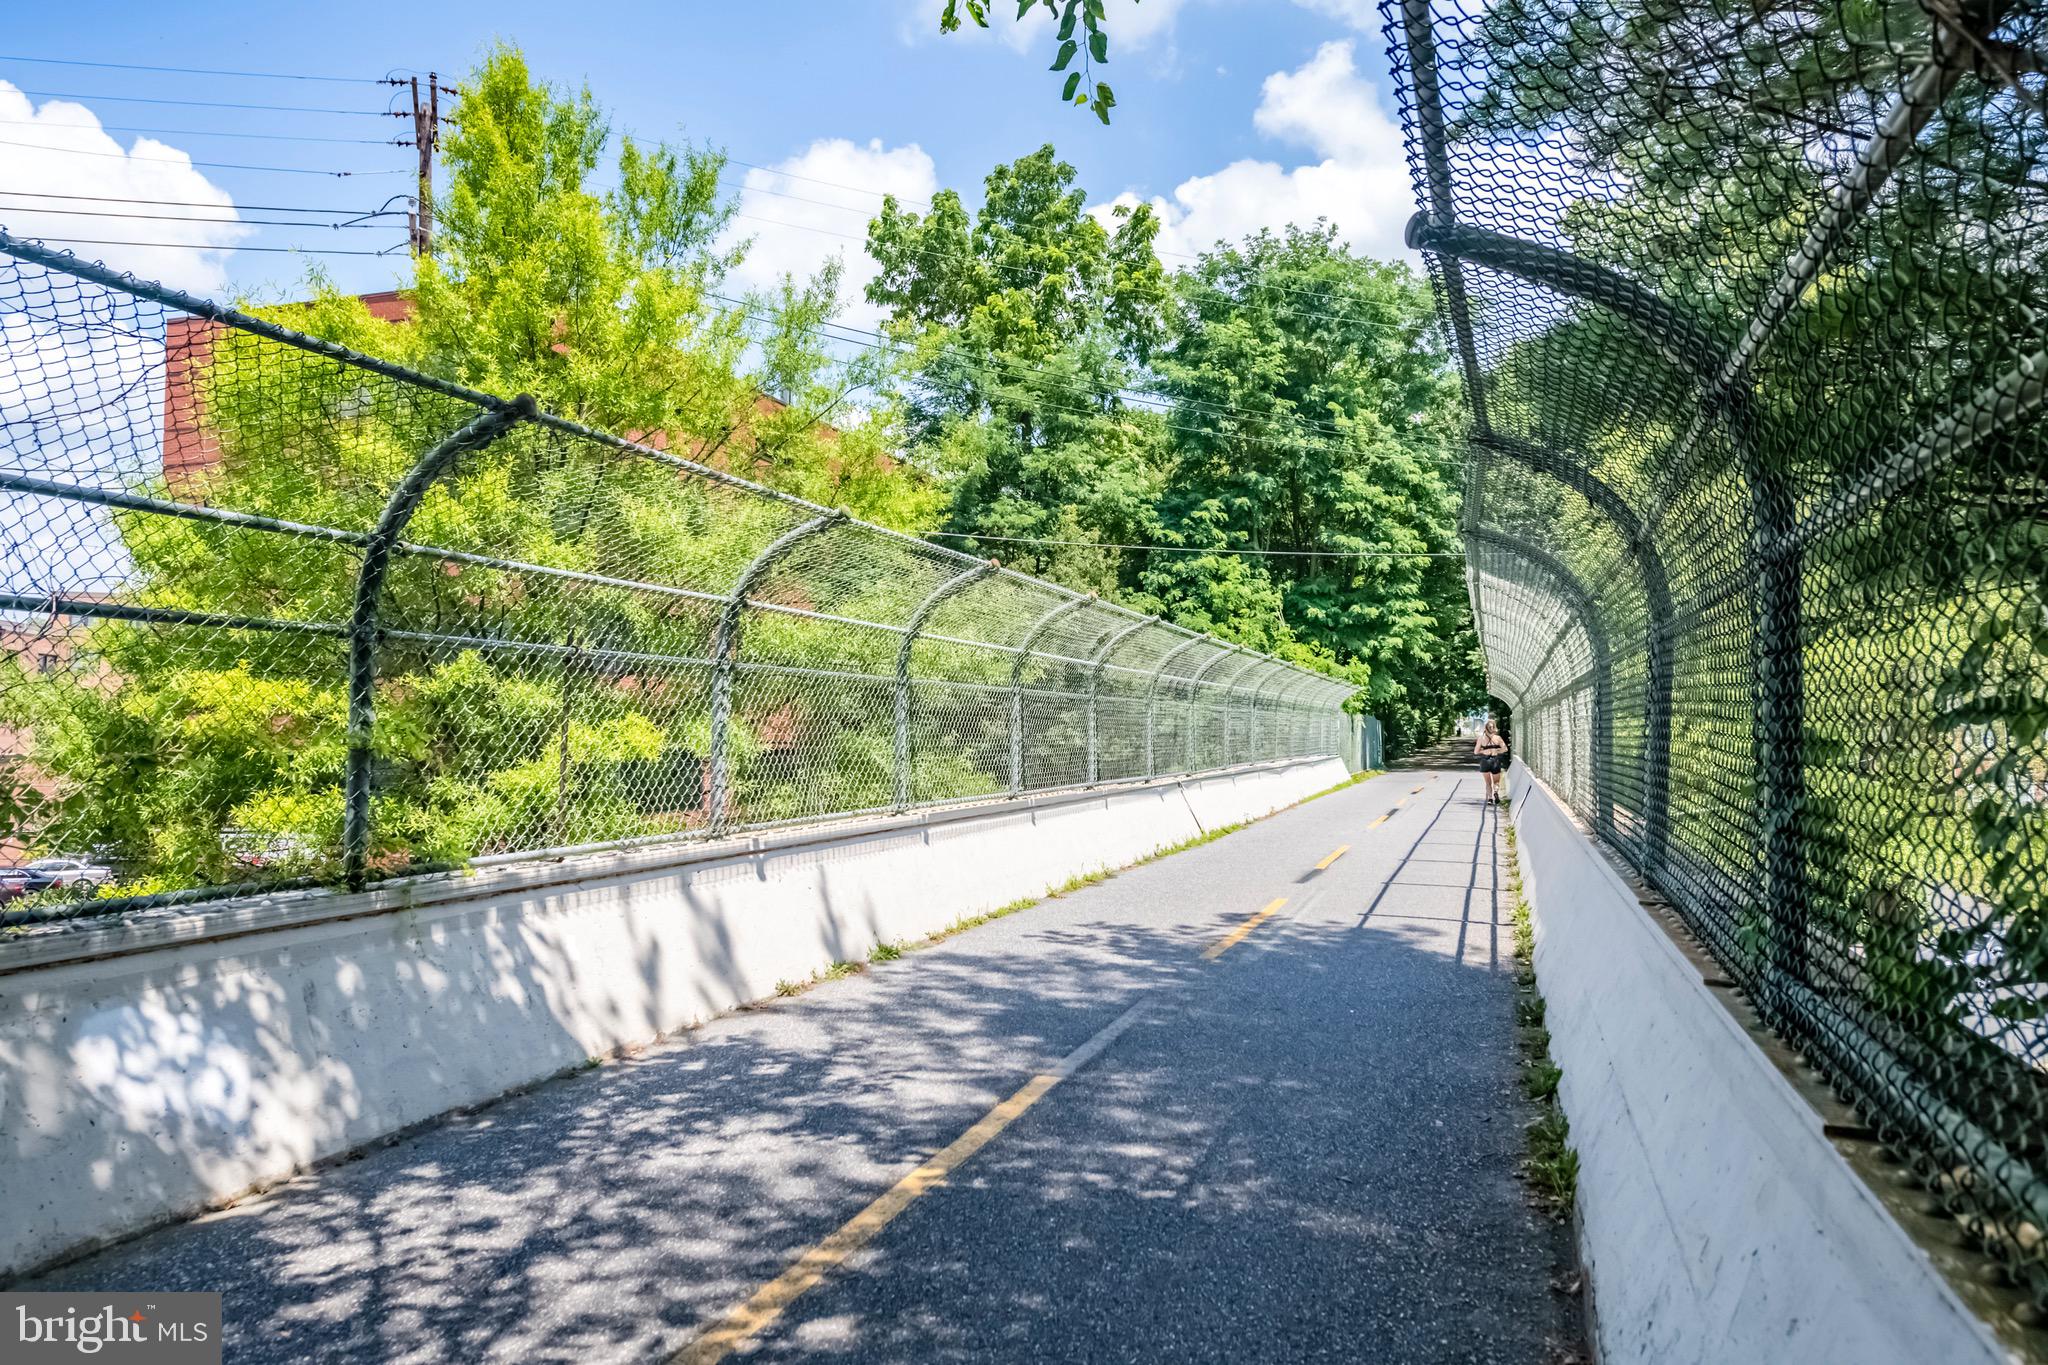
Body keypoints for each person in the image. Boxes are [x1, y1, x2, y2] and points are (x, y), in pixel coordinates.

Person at [1474, 718, 1509, 803]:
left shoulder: (1481, 738)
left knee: (1488, 782)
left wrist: (1483, 751)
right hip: (1495, 760)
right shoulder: (1498, 738)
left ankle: (1490, 799)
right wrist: (1497, 750)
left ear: (1485, 728)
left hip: (1485, 761)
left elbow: (1475, 752)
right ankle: (1496, 792)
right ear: (1494, 728)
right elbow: (1505, 749)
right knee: (1496, 781)